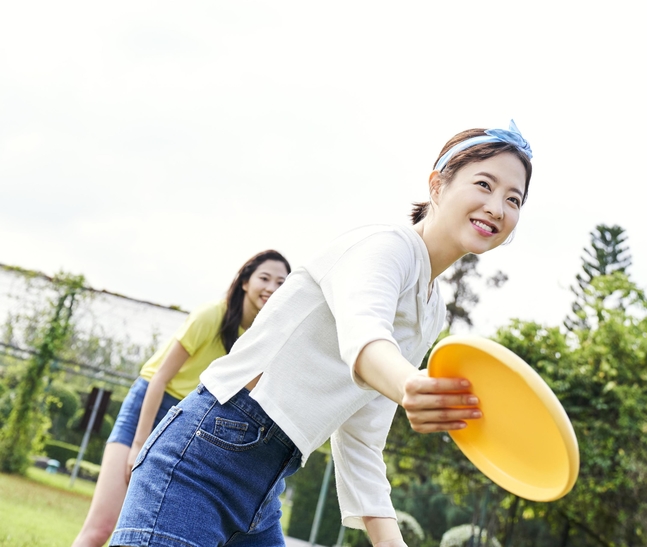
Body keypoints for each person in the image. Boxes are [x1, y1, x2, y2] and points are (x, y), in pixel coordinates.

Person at [110, 121, 533, 547]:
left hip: (267, 484)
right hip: (204, 459)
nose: (497, 207)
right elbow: (364, 336)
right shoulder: (386, 247)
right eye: (484, 184)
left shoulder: (431, 309)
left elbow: (363, 436)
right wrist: (410, 385)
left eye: (513, 199)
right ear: (437, 185)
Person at [72, 250, 291, 547]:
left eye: (281, 283)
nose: (272, 288)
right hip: (151, 406)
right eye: (264, 278)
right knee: (100, 528)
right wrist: (139, 444)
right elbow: (159, 378)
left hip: (191, 423)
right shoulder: (212, 315)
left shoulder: (263, 337)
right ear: (244, 281)